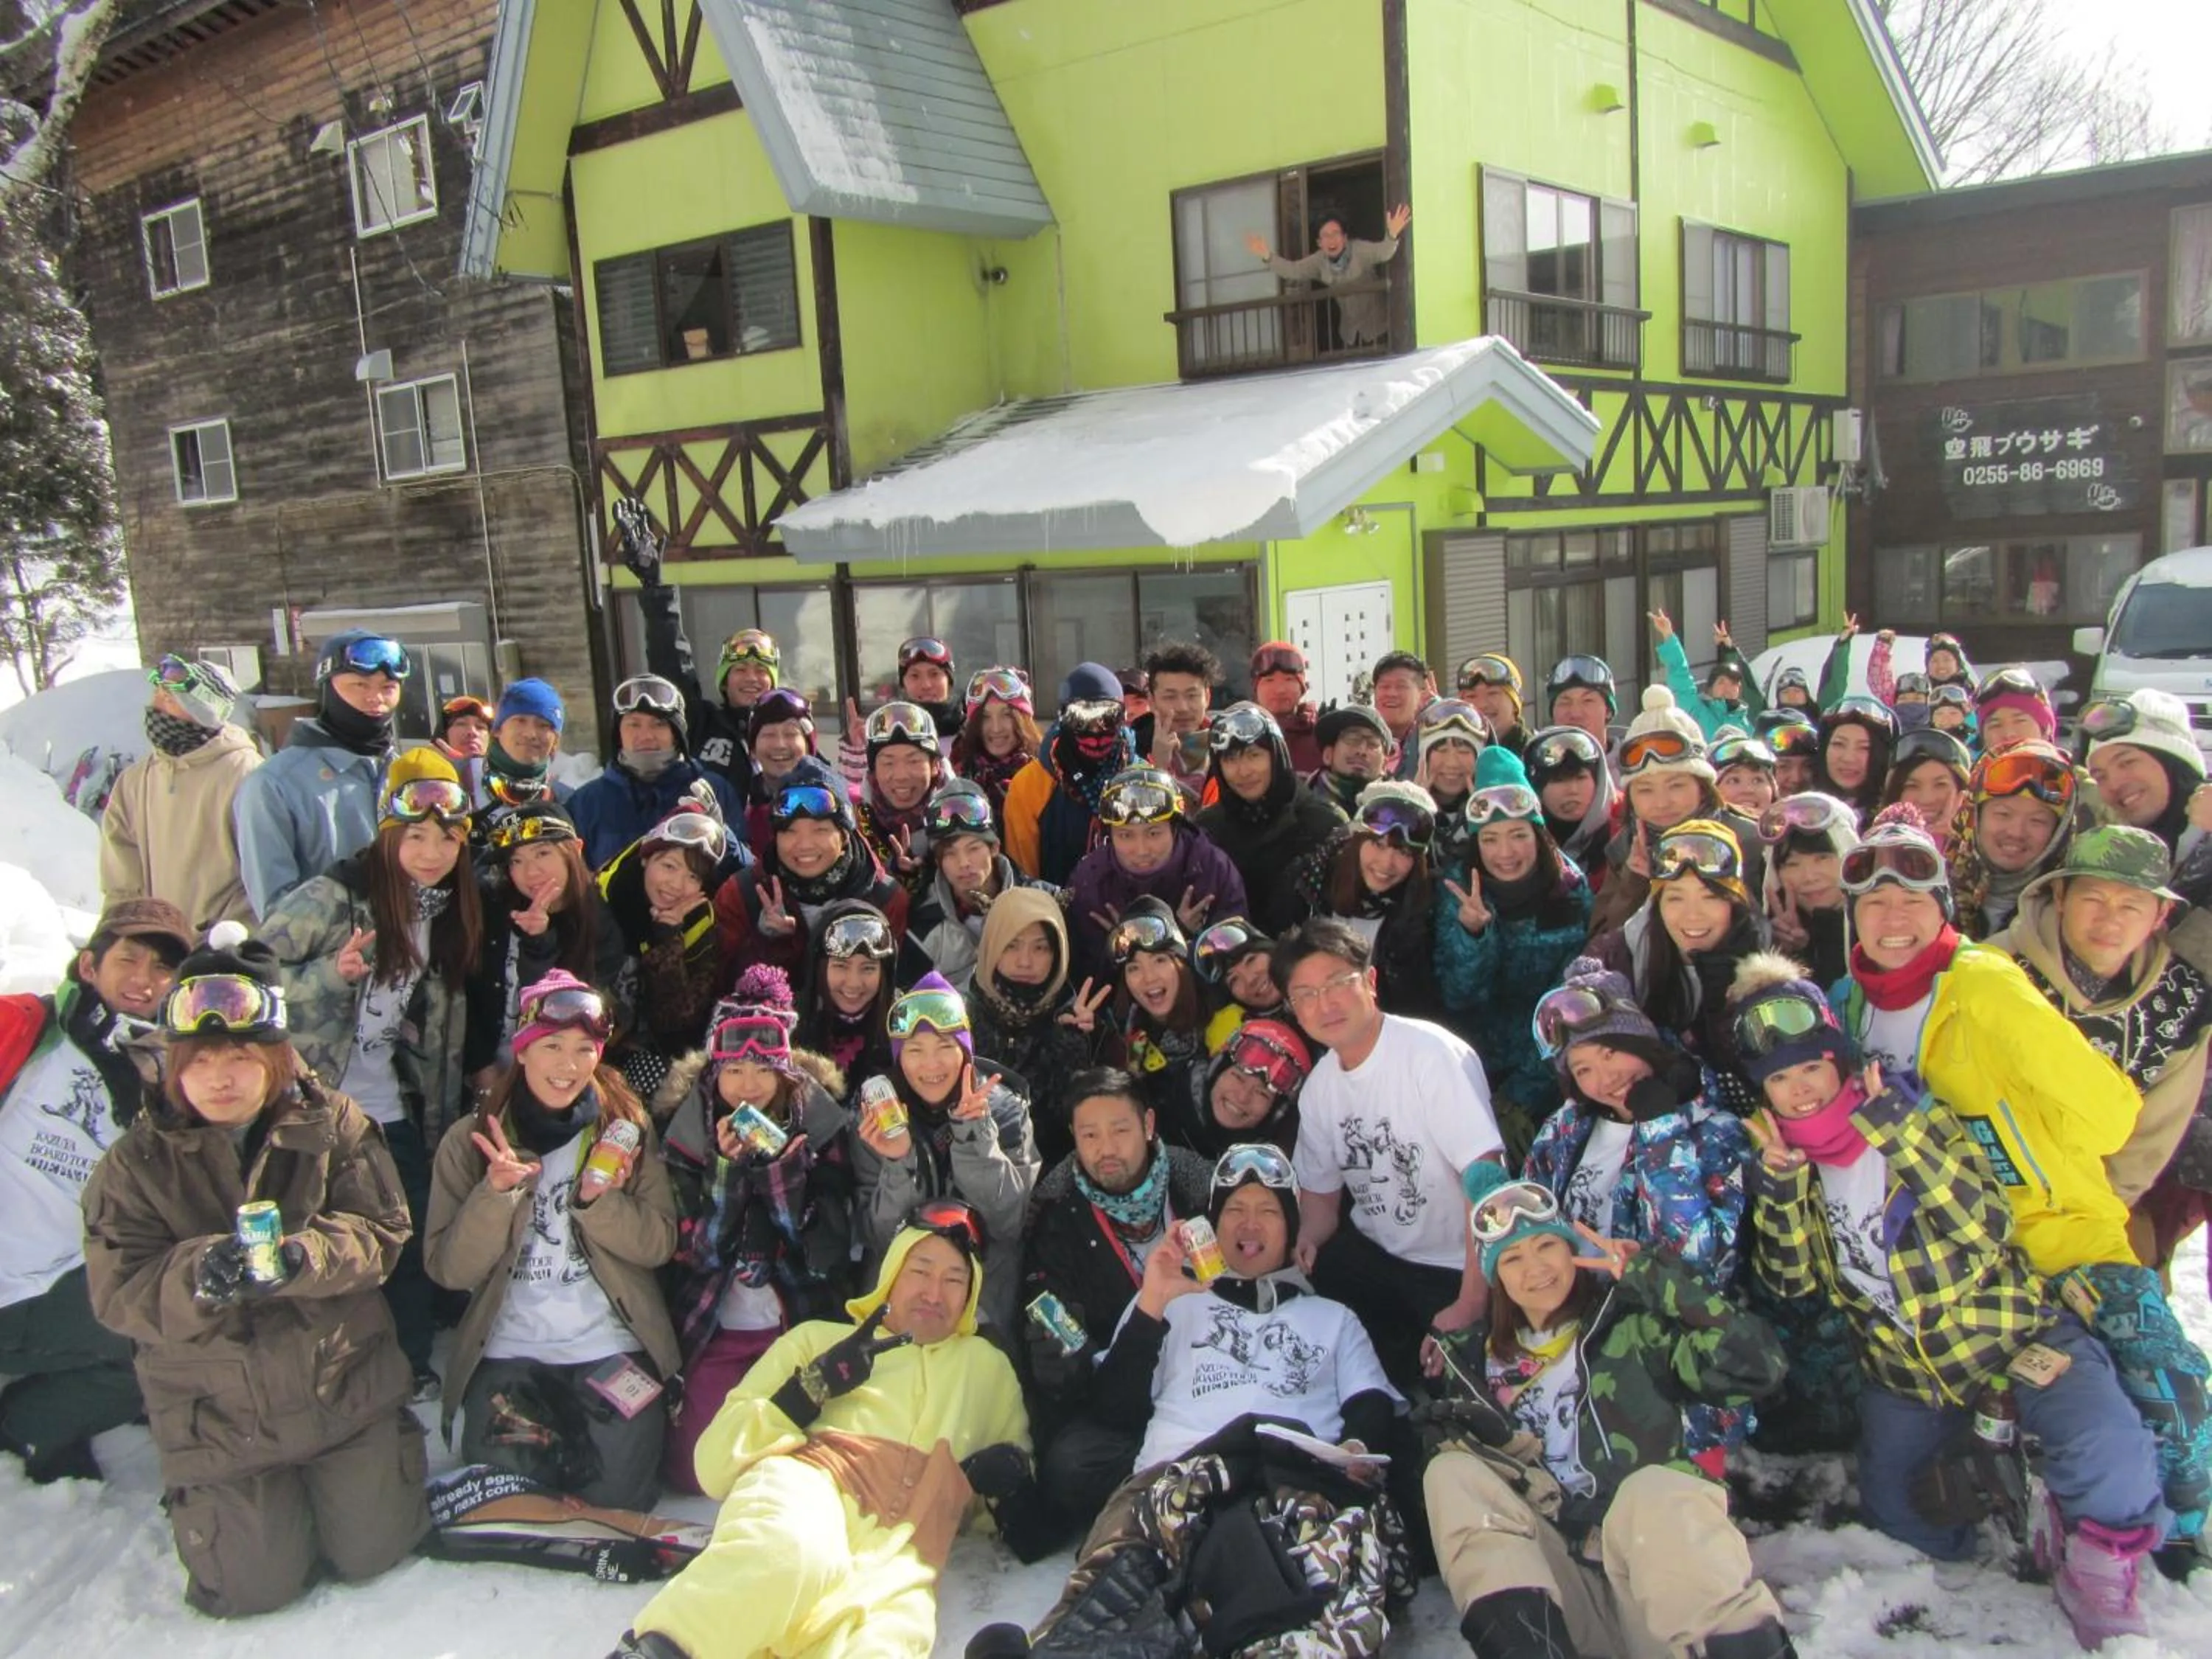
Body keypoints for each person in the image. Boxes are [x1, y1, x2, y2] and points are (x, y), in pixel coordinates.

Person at [1732, 958, 2170, 1645]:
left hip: (2011, 1336)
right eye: (1779, 1080)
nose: (1799, 1091)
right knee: (1907, 1519)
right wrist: (1782, 1190)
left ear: (1838, 1062)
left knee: (2102, 1442)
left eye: (1809, 1068)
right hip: (1908, 1376)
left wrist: (1895, 1129)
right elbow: (1796, 1286)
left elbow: (1984, 1225)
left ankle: (2097, 1558)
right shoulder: (1789, 1165)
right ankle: (2001, 1485)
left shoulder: (1913, 1112)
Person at [1837, 804, 2212, 1558]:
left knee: (2175, 1412)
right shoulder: (1850, 1004)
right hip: (1939, 1269)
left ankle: (2170, 1546)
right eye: (1873, 903)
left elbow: (2109, 1115)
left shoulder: (1983, 981)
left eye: (1912, 901)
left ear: (1942, 906)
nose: (1892, 918)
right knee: (1909, 1501)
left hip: (2053, 1237)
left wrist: (2018, 1144)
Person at [83, 930, 428, 1615]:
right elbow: (119, 1292)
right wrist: (196, 1274)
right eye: (202, 1058)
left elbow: (383, 1231)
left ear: (274, 1057)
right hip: (222, 1419)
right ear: (173, 1063)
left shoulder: (332, 1123)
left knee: (375, 1553)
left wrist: (305, 1257)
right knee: (250, 1590)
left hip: (342, 1391)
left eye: (241, 1056)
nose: (220, 1076)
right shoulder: (134, 1165)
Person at [978, 1141, 1409, 1659]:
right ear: (1214, 1224)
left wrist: (1358, 1449)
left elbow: (1371, 1406)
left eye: (1268, 1212)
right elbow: (1114, 1410)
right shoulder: (1171, 1302)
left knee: (1303, 1597)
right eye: (1235, 1211)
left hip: (1289, 1481)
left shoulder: (1333, 1318)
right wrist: (1152, 1304)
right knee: (1116, 1590)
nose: (1250, 1225)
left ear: (1292, 1229)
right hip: (1172, 1481)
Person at [604, 1203, 1031, 1659]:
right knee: (787, 1557)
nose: (933, 1292)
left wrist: (1003, 1483)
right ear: (890, 1275)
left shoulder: (989, 1371)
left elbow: (1014, 1512)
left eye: (954, 1280)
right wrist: (812, 1388)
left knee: (885, 1642)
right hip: (813, 1487)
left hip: (905, 1552)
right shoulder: (817, 1339)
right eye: (920, 1271)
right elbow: (714, 1461)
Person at [1425, 1167, 1792, 1659]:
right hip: (1563, 1601)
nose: (1534, 1268)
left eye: (1546, 1246)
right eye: (1512, 1258)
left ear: (1571, 1249)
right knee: (1450, 1474)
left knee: (1656, 1489)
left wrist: (1658, 1278)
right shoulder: (1469, 1366)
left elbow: (1757, 1368)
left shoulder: (1630, 1329)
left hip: (1654, 1588)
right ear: (1496, 1278)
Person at [259, 747, 481, 1397]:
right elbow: (242, 981)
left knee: (401, 1234)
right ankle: (316, 1370)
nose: (432, 852)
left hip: (389, 1104)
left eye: (447, 838)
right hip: (308, 1102)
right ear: (388, 834)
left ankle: (408, 1359)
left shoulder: (445, 913)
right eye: (416, 836)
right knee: (319, 1235)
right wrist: (330, 976)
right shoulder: (332, 897)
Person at [428, 972, 680, 1509]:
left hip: (608, 1344)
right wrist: (494, 1196)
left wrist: (597, 1200)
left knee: (621, 1494)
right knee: (510, 1490)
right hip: (511, 1350)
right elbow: (449, 1271)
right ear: (521, 1052)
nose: (567, 1066)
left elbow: (659, 1243)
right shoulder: (471, 1140)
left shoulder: (625, 1130)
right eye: (551, 1046)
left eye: (583, 1050)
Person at [1526, 961, 1756, 1473]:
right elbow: (1531, 1224)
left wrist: (1660, 1132)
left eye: (1612, 1054)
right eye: (1583, 1069)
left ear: (1644, 1045)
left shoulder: (1713, 1131)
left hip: (1672, 1351)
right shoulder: (1565, 1130)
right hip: (1576, 1336)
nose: (1604, 1078)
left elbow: (1699, 1261)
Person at [0, 897, 188, 1484]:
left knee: (173, 1346)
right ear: (88, 966)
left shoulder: (166, 1071)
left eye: (161, 970)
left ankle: (38, 1413)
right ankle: (35, 1422)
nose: (142, 981)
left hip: (61, 1283)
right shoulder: (27, 1027)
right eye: (128, 959)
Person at [653, 967, 856, 1495]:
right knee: (695, 1468)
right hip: (717, 1321)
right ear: (713, 1073)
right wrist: (724, 1171)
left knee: (805, 1463)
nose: (749, 1087)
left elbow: (821, 1252)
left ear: (785, 1074)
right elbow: (700, 1251)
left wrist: (780, 1175)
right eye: (735, 1071)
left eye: (763, 1072)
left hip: (795, 1319)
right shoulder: (688, 1131)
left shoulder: (820, 1126)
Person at [1279, 918, 1503, 1389]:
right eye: (1306, 995)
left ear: (1371, 982)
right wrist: (1306, 1239)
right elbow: (1321, 1197)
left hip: (1456, 1266)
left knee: (1455, 1380)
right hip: (1378, 1256)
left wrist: (1471, 1300)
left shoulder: (1429, 1054)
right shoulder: (1320, 1087)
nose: (1325, 1004)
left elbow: (1487, 1180)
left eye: (1338, 983)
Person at [1991, 826, 2212, 1282]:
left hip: (2103, 1211)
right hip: (1986, 1205)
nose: (2110, 920)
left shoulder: (2184, 1000)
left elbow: (2153, 1138)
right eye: (2093, 898)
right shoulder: (1993, 970)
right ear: (2061, 894)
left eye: (2131, 905)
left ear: (2160, 914)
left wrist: (2087, 1213)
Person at [1017, 1070, 1214, 1538]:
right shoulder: (1056, 1208)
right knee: (1070, 1467)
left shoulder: (1200, 1186)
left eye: (1120, 1130)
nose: (1106, 1149)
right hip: (1125, 1396)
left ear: (1148, 1124)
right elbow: (1048, 1306)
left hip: (1210, 1375)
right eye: (1090, 1135)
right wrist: (1066, 1361)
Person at [849, 975, 1040, 1332]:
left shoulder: (1005, 1111)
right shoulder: (877, 1117)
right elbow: (879, 1238)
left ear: (965, 1052)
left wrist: (974, 1137)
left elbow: (1008, 1223)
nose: (931, 1066)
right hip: (899, 1297)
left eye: (944, 1048)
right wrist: (899, 1160)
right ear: (899, 1057)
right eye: (915, 1051)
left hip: (982, 1296)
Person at [1434, 746, 1593, 1141]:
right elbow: (1459, 997)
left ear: (1538, 835)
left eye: (1518, 835)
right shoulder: (1459, 889)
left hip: (1548, 1068)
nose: (1505, 853)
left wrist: (1523, 1092)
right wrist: (1474, 936)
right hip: (1473, 1062)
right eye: (1490, 839)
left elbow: (1569, 1003)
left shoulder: (1569, 889)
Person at [233, 629, 408, 918]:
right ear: (328, 687)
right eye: (360, 685)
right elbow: (276, 914)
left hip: (413, 954)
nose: (375, 698)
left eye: (388, 687)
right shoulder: (274, 785)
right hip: (333, 958)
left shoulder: (404, 771)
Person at [1590, 819, 1768, 1087]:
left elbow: (1767, 1073)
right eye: (1675, 898)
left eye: (1710, 897)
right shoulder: (1615, 959)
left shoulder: (1767, 968)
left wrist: (1721, 1000)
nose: (1692, 915)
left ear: (1734, 903)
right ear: (1656, 904)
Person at [467, 801, 627, 1082]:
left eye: (542, 853)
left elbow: (570, 1015)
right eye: (516, 861)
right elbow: (468, 993)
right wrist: (481, 1067)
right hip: (481, 1071)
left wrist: (538, 943)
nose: (531, 872)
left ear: (575, 850)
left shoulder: (600, 926)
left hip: (559, 1077)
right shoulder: (491, 906)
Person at [622, 513, 782, 796]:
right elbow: (673, 667)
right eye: (740, 670)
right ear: (724, 680)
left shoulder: (788, 730)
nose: (751, 678)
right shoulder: (702, 723)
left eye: (761, 671)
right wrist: (655, 593)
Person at [100, 653, 260, 934]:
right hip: (158, 951)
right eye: (157, 696)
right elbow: (121, 881)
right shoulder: (136, 780)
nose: (156, 708)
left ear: (202, 712)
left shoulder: (246, 775)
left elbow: (261, 876)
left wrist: (225, 939)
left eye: (169, 700)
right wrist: (123, 937)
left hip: (224, 953)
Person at [1587, 687, 1764, 938]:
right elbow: (1602, 942)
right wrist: (1635, 882)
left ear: (1703, 787)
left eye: (1676, 786)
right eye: (1646, 790)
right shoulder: (1626, 849)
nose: (1661, 803)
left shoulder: (1750, 840)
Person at [714, 758, 909, 982]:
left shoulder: (884, 898)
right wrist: (765, 942)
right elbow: (721, 985)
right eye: (790, 831)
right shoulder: (742, 894)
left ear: (845, 835)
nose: (804, 844)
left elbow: (890, 989)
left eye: (820, 830)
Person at [597, 805, 741, 1099]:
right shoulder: (599, 901)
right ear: (646, 858)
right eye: (669, 866)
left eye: (693, 877)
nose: (676, 885)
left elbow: (676, 1025)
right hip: (587, 1044)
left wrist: (668, 939)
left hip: (647, 1054)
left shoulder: (701, 928)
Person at [1065, 765, 1246, 981]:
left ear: (1175, 829)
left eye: (1153, 833)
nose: (1142, 850)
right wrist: (1118, 951)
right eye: (1126, 836)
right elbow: (1080, 976)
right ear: (1109, 835)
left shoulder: (1211, 869)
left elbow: (1239, 963)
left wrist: (1184, 942)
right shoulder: (1091, 882)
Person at [1287, 780, 1446, 1016]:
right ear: (1357, 841)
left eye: (1403, 852)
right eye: (1378, 844)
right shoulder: (1310, 884)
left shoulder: (1425, 912)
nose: (1387, 864)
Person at [965, 889, 1099, 1169]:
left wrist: (1073, 1043)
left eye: (1040, 948)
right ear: (991, 945)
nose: (1025, 961)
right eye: (1011, 945)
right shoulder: (959, 1018)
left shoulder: (1079, 1022)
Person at [1191, 701, 1346, 934]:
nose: (1244, 771)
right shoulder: (1206, 831)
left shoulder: (1324, 823)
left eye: (1254, 755)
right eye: (1230, 760)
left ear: (1277, 755)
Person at [567, 675, 743, 872]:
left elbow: (743, 875)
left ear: (676, 734)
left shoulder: (712, 790)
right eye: (634, 724)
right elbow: (572, 884)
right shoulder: (586, 803)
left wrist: (724, 837)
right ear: (618, 733)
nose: (646, 736)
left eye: (658, 724)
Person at [897, 779, 1046, 993]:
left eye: (974, 848)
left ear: (994, 847)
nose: (964, 863)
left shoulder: (1043, 904)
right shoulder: (925, 922)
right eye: (950, 853)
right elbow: (909, 1001)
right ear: (939, 862)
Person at [1003, 662, 1137, 886]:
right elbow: (1023, 877)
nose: (1096, 731)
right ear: (1063, 718)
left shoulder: (1139, 777)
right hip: (1055, 911)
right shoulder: (1030, 785)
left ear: (1123, 717)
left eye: (1109, 717)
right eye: (1080, 718)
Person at [1102, 900, 1220, 1149]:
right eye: (1134, 968)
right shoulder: (1133, 1038)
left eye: (1159, 961)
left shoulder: (1222, 1022)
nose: (1148, 978)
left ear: (1181, 965)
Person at [1950, 740, 2083, 938]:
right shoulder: (1930, 893)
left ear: (2058, 833)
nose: (2016, 832)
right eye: (2003, 814)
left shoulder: (2073, 912)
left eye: (2037, 821)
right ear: (1975, 818)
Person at [1243, 202, 1410, 347]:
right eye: (1325, 235)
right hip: (1350, 335)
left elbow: (1384, 253)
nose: (1331, 240)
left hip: (1378, 329)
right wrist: (1267, 256)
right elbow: (1293, 271)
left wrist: (1392, 235)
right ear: (1319, 243)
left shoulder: (1359, 250)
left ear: (1344, 238)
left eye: (1336, 234)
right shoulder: (1319, 261)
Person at [2081, 689, 2207, 855]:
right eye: (2100, 777)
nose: (2114, 784)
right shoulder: (2115, 856)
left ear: (2172, 762)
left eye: (2127, 762)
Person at [1761, 793, 1859, 987]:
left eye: (1822, 858)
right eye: (1792, 864)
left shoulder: (1881, 926)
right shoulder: (1768, 936)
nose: (1809, 877)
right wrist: (1789, 955)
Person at [852, 700, 947, 898]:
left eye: (913, 761)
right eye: (888, 763)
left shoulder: (960, 814)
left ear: (935, 765)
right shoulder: (855, 821)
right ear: (873, 770)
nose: (901, 775)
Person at [1192, 1017, 1312, 1159]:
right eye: (1238, 1077)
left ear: (1275, 1114)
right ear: (1215, 1072)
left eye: (1262, 1093)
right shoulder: (1166, 1110)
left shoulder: (1278, 1168)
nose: (1243, 1097)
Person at [1527, 723, 1617, 883]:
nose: (1572, 790)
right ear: (1537, 790)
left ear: (1598, 781)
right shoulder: (1522, 842)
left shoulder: (1627, 833)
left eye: (1581, 778)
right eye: (1558, 780)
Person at [950, 667, 1042, 819]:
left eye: (1006, 715)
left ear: (1023, 719)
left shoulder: (1047, 775)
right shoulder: (956, 778)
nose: (996, 728)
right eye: (985, 717)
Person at [1652, 611, 1759, 739]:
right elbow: (1680, 677)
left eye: (1734, 684)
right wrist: (1668, 636)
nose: (1728, 688)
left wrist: (1729, 647)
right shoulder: (1697, 711)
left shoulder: (1747, 723)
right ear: (1710, 688)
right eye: (1721, 682)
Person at [1415, 696, 1492, 870]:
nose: (1452, 763)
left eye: (1464, 751)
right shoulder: (1393, 809)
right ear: (1423, 758)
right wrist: (1414, 812)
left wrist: (1485, 817)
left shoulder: (1503, 809)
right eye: (1441, 750)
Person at [480, 676, 574, 812]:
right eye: (520, 721)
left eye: (543, 725)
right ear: (497, 730)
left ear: (555, 741)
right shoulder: (462, 784)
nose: (531, 734)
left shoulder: (569, 803)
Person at [1139, 639, 1220, 792]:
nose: (1182, 708)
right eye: (1170, 697)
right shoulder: (1131, 749)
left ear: (1207, 697)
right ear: (1152, 701)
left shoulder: (1228, 743)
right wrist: (1158, 767)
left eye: (1192, 695)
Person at [1879, 726, 1972, 850]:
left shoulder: (1983, 849)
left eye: (1940, 785)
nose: (1927, 799)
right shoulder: (1874, 847)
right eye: (1912, 786)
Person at [1815, 695, 1896, 822]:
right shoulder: (1805, 809)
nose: (1849, 758)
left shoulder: (1894, 817)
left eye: (1864, 748)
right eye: (1839, 744)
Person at [1250, 640, 1323, 772]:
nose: (1280, 690)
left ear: (1302, 687)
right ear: (1256, 688)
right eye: (1269, 680)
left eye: (1289, 679)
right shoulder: (1242, 735)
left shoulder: (1322, 734)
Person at [1312, 700, 1393, 814]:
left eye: (1372, 744)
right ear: (1328, 755)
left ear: (1385, 764)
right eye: (1352, 739)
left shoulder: (1401, 814)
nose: (1361, 751)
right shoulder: (1300, 808)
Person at [1371, 650, 1434, 777]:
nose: (1391, 694)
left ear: (1422, 694)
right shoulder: (1361, 739)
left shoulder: (1433, 744)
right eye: (1384, 686)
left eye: (1401, 686)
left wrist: (1437, 710)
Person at [1458, 651, 1529, 757]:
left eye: (1492, 694)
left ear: (1515, 704)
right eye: (1471, 696)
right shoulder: (1455, 756)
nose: (1482, 705)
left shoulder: (1534, 755)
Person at [1975, 665, 2060, 754]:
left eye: (2020, 721)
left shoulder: (2066, 767)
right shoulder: (1971, 767)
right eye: (1995, 725)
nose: (2009, 734)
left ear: (2046, 730)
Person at [1544, 653, 1617, 748]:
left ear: (1608, 711)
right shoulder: (1531, 761)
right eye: (1565, 702)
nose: (1575, 714)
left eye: (1588, 701)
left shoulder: (1637, 760)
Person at [1712, 733, 1778, 820]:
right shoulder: (1697, 832)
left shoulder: (1793, 831)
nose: (1748, 790)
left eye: (1757, 780)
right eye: (1734, 781)